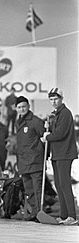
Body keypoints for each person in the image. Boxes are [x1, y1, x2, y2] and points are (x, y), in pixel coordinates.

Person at [41, 88, 78, 225]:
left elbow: (61, 133)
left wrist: (48, 136)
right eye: (51, 99)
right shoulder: (55, 114)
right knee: (58, 184)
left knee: (64, 183)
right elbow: (55, 131)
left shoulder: (65, 113)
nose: (53, 102)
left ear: (61, 99)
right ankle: (64, 215)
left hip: (65, 153)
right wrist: (48, 127)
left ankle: (72, 216)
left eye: (56, 99)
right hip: (57, 153)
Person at [15, 96, 45, 221]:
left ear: (28, 106)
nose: (22, 109)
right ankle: (34, 212)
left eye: (24, 106)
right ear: (16, 109)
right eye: (19, 107)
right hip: (23, 162)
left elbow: (44, 138)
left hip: (35, 161)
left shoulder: (36, 121)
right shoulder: (18, 122)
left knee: (37, 189)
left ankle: (39, 212)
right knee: (29, 190)